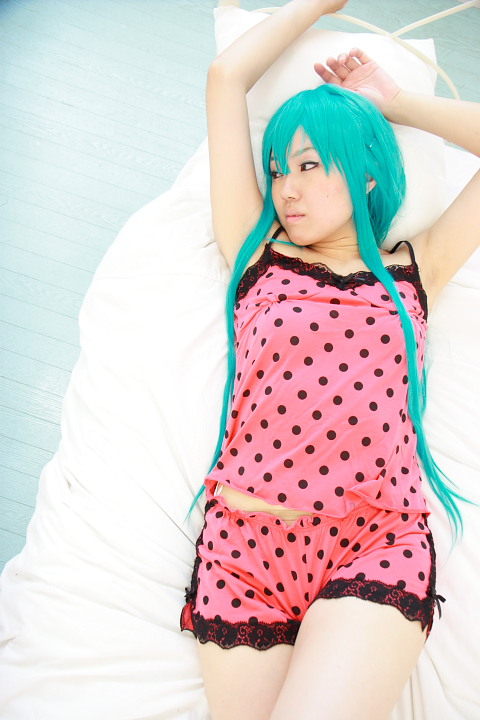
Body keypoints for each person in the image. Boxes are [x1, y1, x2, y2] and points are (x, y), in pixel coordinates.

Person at [180, 1, 480, 718]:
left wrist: (394, 102)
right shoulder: (254, 255)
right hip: (245, 552)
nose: (286, 187)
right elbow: (226, 78)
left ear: (367, 173)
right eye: (278, 168)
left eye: (311, 165)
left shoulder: (416, 272)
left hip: (373, 544)